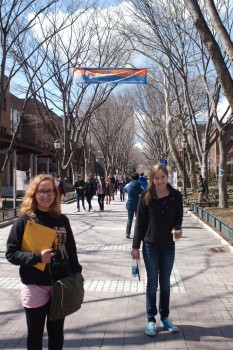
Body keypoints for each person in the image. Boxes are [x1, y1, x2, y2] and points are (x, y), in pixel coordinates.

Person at [5, 174, 82, 350]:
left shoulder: (62, 220)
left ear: (55, 194)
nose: (45, 195)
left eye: (49, 191)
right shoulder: (25, 220)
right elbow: (11, 253)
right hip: (34, 284)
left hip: (59, 285)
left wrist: (77, 274)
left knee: (56, 333)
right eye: (41, 191)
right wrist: (37, 258)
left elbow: (71, 250)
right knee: (35, 333)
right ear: (34, 193)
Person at [131, 164, 183, 336]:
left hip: (168, 246)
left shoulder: (176, 196)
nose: (160, 181)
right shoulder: (145, 197)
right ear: (152, 179)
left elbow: (178, 218)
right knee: (152, 284)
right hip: (150, 247)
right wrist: (135, 247)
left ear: (167, 177)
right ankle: (151, 319)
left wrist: (177, 228)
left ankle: (165, 317)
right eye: (156, 178)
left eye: (163, 177)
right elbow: (139, 223)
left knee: (166, 284)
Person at [123, 172, 144, 239]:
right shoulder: (139, 185)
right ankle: (138, 234)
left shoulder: (128, 185)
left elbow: (123, 191)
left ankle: (127, 233)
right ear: (138, 178)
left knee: (129, 219)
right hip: (137, 204)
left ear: (131, 178)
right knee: (138, 220)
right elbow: (144, 193)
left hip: (129, 203)